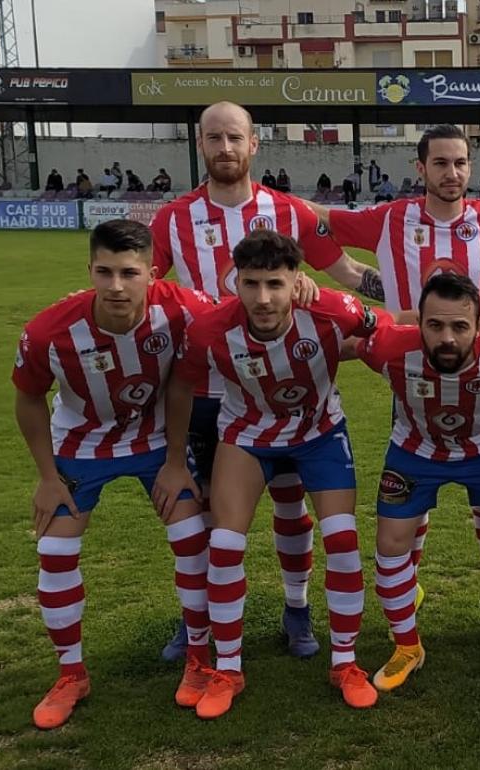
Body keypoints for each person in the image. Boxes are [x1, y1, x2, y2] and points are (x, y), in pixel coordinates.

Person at [149, 100, 383, 665]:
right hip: (207, 391)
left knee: (291, 505)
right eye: (214, 138)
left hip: (284, 385)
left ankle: (296, 608)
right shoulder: (172, 219)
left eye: (235, 137)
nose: (225, 148)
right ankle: (199, 617)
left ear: (254, 144)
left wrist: (427, 300)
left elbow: (348, 273)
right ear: (200, 145)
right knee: (205, 518)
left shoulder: (289, 212)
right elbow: (139, 288)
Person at [319, 123, 480, 622]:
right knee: (414, 487)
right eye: (440, 163)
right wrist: (259, 198)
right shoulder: (391, 218)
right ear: (420, 168)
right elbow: (324, 222)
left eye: (460, 163)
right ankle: (409, 587)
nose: (452, 172)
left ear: (471, 167)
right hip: (411, 369)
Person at [157, 229, 383, 719]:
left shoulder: (332, 310)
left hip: (319, 432)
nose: (263, 298)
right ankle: (228, 669)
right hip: (247, 434)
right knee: (224, 544)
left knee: (343, 540)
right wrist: (174, 460)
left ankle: (345, 663)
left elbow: (385, 330)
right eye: (252, 283)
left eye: (275, 284)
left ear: (296, 282)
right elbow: (181, 386)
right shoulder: (209, 330)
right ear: (235, 282)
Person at [13, 220, 217, 730]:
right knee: (54, 551)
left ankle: (198, 658)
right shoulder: (48, 332)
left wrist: (176, 461)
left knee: (193, 538)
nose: (117, 286)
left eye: (129, 273)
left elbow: (245, 314)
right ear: (89, 272)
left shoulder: (183, 308)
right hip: (80, 443)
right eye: (104, 272)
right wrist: (47, 477)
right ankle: (71, 674)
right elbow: (29, 399)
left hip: (156, 441)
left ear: (152, 273)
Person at [351, 273, 480, 694]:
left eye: (460, 326)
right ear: (418, 323)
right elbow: (340, 335)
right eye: (435, 325)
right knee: (390, 543)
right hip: (415, 450)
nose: (448, 338)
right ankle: (407, 647)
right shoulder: (389, 349)